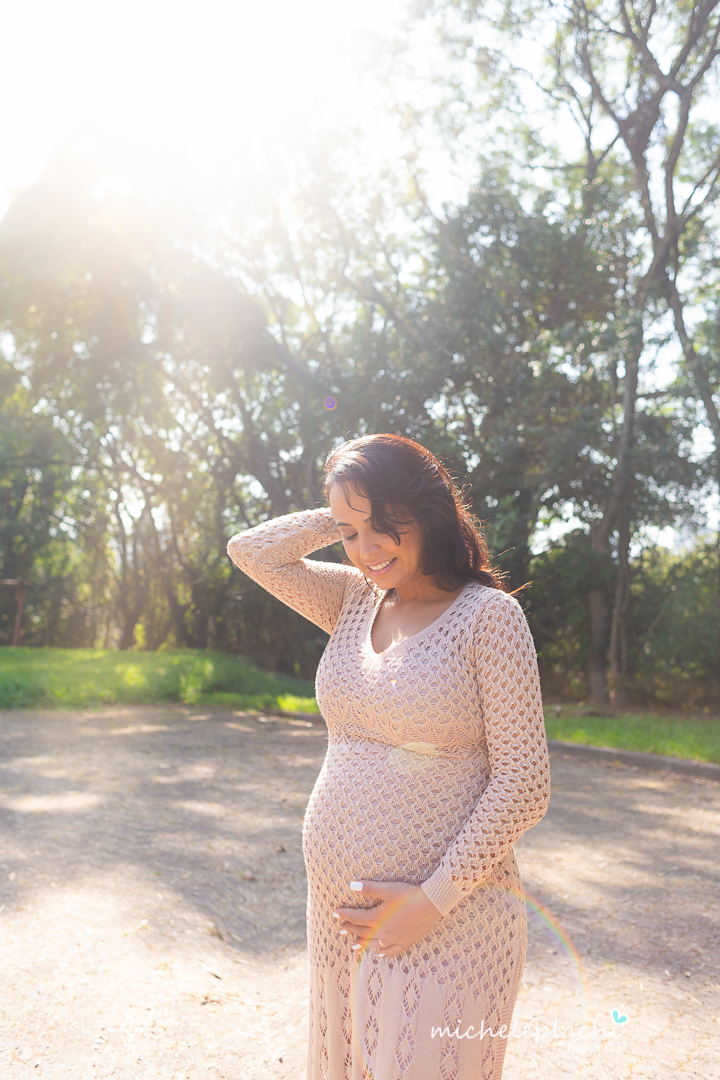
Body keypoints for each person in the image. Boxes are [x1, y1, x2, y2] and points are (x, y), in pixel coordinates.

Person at [227, 433, 551, 1080]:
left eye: (385, 526)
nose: (366, 549)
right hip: (338, 922)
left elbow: (524, 784)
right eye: (351, 534)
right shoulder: (354, 599)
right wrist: (346, 510)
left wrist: (430, 901)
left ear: (427, 511)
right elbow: (250, 552)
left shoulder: (488, 618)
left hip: (448, 921)